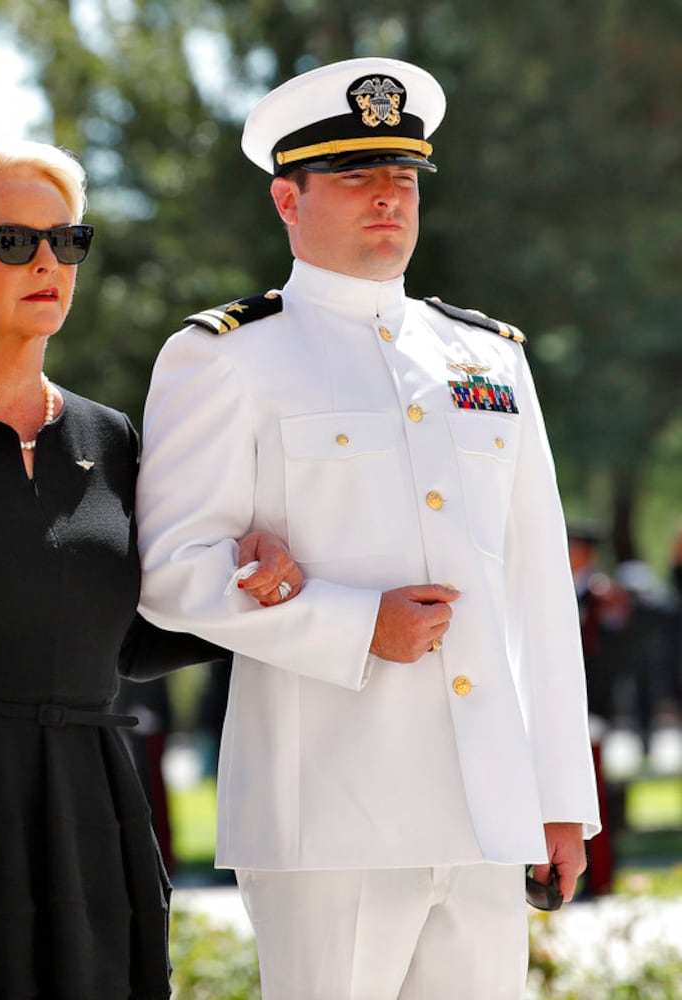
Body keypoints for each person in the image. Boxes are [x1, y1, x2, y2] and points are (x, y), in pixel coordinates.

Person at [135, 57, 600, 999]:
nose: (388, 197)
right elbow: (173, 571)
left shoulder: (488, 357)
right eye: (355, 176)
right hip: (330, 812)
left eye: (403, 177)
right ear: (286, 201)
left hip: (484, 808)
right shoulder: (227, 357)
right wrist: (357, 625)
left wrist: (560, 801)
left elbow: (539, 588)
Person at [0, 135, 302, 998]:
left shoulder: (111, 435)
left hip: (87, 803)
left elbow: (132, 639)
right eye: (15, 242)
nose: (48, 262)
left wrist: (259, 595)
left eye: (67, 241)